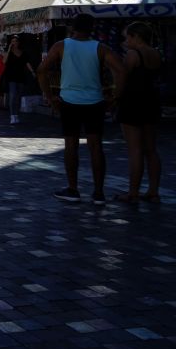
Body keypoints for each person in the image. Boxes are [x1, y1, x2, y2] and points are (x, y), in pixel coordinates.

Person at [38, 13, 125, 205]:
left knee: (71, 145)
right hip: (94, 101)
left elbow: (42, 70)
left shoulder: (61, 46)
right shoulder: (100, 48)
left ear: (72, 27)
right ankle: (98, 193)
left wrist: (50, 96)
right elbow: (120, 70)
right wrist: (115, 97)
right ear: (92, 28)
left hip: (69, 101)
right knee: (96, 146)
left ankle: (73, 188)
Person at [114, 21, 162, 204]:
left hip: (133, 103)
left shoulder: (133, 54)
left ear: (136, 37)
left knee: (134, 149)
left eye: (128, 37)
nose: (126, 41)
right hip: (151, 102)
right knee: (151, 149)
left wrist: (115, 98)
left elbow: (122, 77)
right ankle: (153, 191)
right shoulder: (156, 53)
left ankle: (133, 192)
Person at [2, 36, 35, 124]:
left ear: (18, 42)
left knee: (19, 96)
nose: (14, 43)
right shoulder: (9, 52)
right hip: (11, 77)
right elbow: (4, 61)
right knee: (12, 96)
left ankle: (16, 115)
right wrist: (9, 49)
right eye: (12, 41)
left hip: (20, 76)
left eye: (16, 41)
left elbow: (27, 62)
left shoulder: (23, 53)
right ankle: (12, 116)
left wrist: (32, 72)